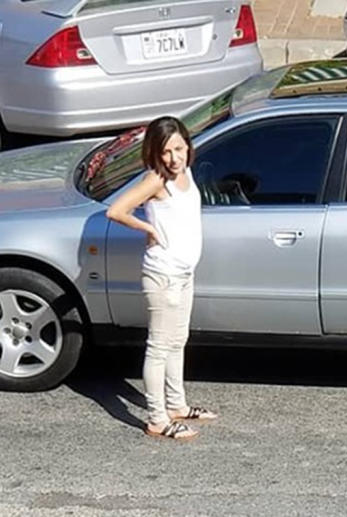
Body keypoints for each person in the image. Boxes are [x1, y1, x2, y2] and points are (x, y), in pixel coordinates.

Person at [106, 116, 218, 440]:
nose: (174, 158)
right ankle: (157, 419)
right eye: (166, 152)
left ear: (187, 146)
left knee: (177, 341)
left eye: (179, 149)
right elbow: (116, 210)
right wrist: (148, 228)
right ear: (155, 153)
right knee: (158, 348)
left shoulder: (186, 172)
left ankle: (177, 405)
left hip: (184, 273)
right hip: (163, 275)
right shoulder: (157, 180)